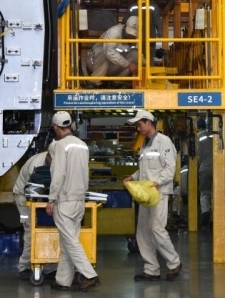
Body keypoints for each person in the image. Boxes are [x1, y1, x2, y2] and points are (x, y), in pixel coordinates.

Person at [123, 109, 182, 282]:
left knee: (156, 228)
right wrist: (133, 177)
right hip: (146, 194)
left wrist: (157, 182)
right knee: (142, 231)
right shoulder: (145, 144)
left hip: (159, 193)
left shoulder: (164, 141)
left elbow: (170, 168)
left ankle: (174, 263)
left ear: (148, 122)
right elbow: (144, 169)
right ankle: (151, 269)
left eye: (139, 124)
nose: (138, 128)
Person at [45, 111, 100, 292]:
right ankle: (63, 280)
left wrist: (52, 199)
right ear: (70, 125)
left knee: (70, 241)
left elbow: (58, 174)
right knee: (67, 241)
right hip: (79, 200)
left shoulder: (61, 145)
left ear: (55, 127)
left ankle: (90, 274)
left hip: (65, 200)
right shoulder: (82, 145)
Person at [13, 150, 56, 281]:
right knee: (31, 231)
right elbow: (31, 191)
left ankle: (50, 268)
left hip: (41, 198)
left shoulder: (56, 160)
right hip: (23, 198)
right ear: (48, 156)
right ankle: (24, 267)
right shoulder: (36, 165)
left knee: (49, 230)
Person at [84, 16, 139, 85]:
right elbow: (109, 53)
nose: (130, 36)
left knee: (135, 55)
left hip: (113, 66)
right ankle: (95, 82)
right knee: (104, 52)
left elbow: (139, 56)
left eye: (133, 35)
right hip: (95, 63)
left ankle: (117, 83)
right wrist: (128, 64)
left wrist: (147, 65)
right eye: (129, 33)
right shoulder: (114, 32)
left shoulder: (137, 38)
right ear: (125, 27)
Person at [196, 118, 214, 228]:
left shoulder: (199, 136)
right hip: (218, 169)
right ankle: (214, 217)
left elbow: (198, 155)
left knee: (204, 192)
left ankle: (205, 212)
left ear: (198, 126)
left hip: (205, 169)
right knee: (215, 193)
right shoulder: (214, 134)